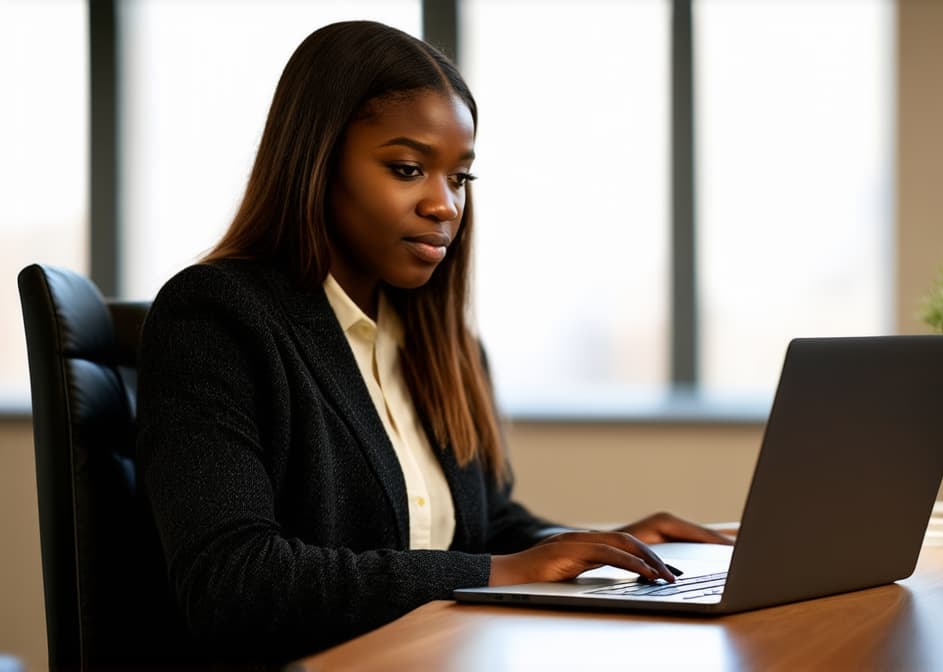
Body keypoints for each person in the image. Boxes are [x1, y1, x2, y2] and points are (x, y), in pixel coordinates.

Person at [137, 20, 730, 665]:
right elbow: (234, 584)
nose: (445, 205)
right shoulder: (217, 317)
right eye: (408, 168)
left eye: (460, 178)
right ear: (316, 161)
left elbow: (487, 531)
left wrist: (603, 548)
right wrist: (499, 571)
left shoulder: (445, 346)